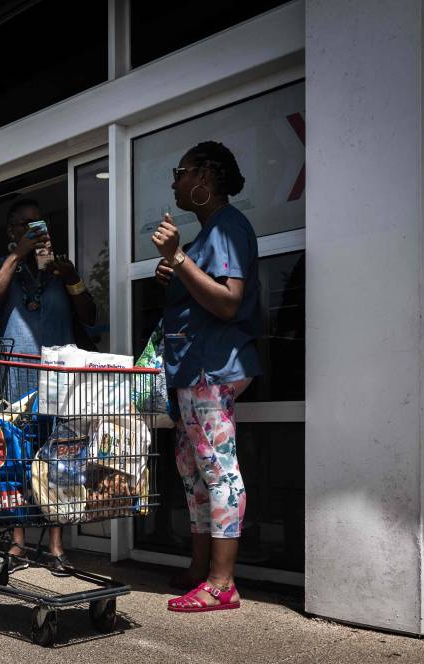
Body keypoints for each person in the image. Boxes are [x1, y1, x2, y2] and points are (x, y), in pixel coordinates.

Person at [152, 140, 261, 612]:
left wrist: (179, 260)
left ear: (206, 176)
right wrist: (177, 269)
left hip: (214, 368)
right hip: (193, 370)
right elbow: (203, 290)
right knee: (192, 470)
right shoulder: (208, 233)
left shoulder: (230, 226)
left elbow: (229, 300)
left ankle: (222, 583)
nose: (174, 181)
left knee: (218, 469)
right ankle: (200, 571)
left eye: (180, 171)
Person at [0, 198, 97, 576]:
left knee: (60, 460)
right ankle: (19, 542)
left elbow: (90, 317)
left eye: (39, 224)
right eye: (24, 225)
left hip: (58, 380)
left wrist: (73, 277)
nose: (33, 230)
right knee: (15, 459)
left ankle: (56, 546)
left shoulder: (58, 269)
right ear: (12, 232)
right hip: (13, 381)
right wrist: (18, 256)